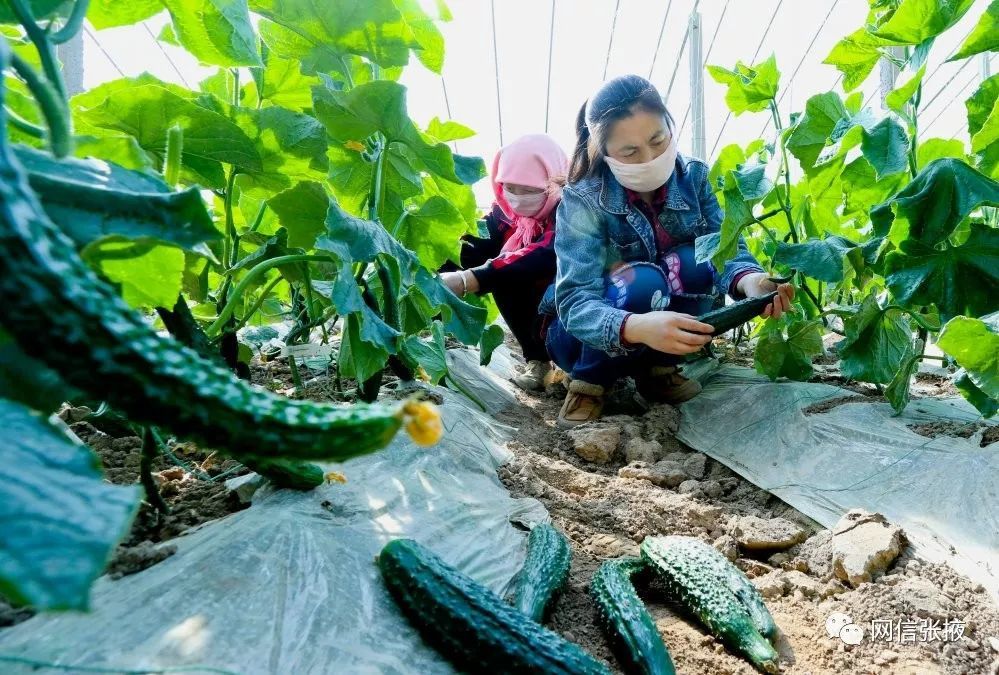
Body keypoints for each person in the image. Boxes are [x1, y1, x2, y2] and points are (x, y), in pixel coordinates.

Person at [546, 75, 794, 428]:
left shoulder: (695, 177)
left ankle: (658, 370)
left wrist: (751, 282)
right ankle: (589, 383)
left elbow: (725, 251)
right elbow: (574, 302)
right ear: (603, 153)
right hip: (581, 341)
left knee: (697, 260)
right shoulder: (583, 199)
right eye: (629, 152)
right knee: (643, 280)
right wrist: (635, 327)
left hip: (661, 334)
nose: (649, 157)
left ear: (669, 126)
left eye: (658, 140)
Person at [440, 134, 569, 391]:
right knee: (496, 270)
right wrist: (441, 264)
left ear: (555, 183)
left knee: (505, 271)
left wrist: (470, 279)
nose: (518, 198)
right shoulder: (504, 214)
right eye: (510, 188)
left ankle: (572, 366)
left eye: (531, 190)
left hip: (566, 301)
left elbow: (544, 253)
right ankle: (538, 360)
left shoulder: (571, 212)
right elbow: (478, 243)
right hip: (532, 300)